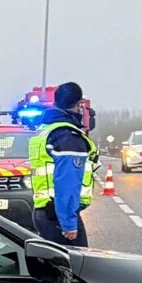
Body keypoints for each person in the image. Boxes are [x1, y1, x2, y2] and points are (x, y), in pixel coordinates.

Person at [28, 81, 100, 245]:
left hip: (45, 212)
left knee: (54, 268)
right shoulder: (67, 137)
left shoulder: (47, 131)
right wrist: (68, 223)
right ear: (80, 104)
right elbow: (67, 183)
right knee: (79, 267)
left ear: (55, 102)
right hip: (58, 216)